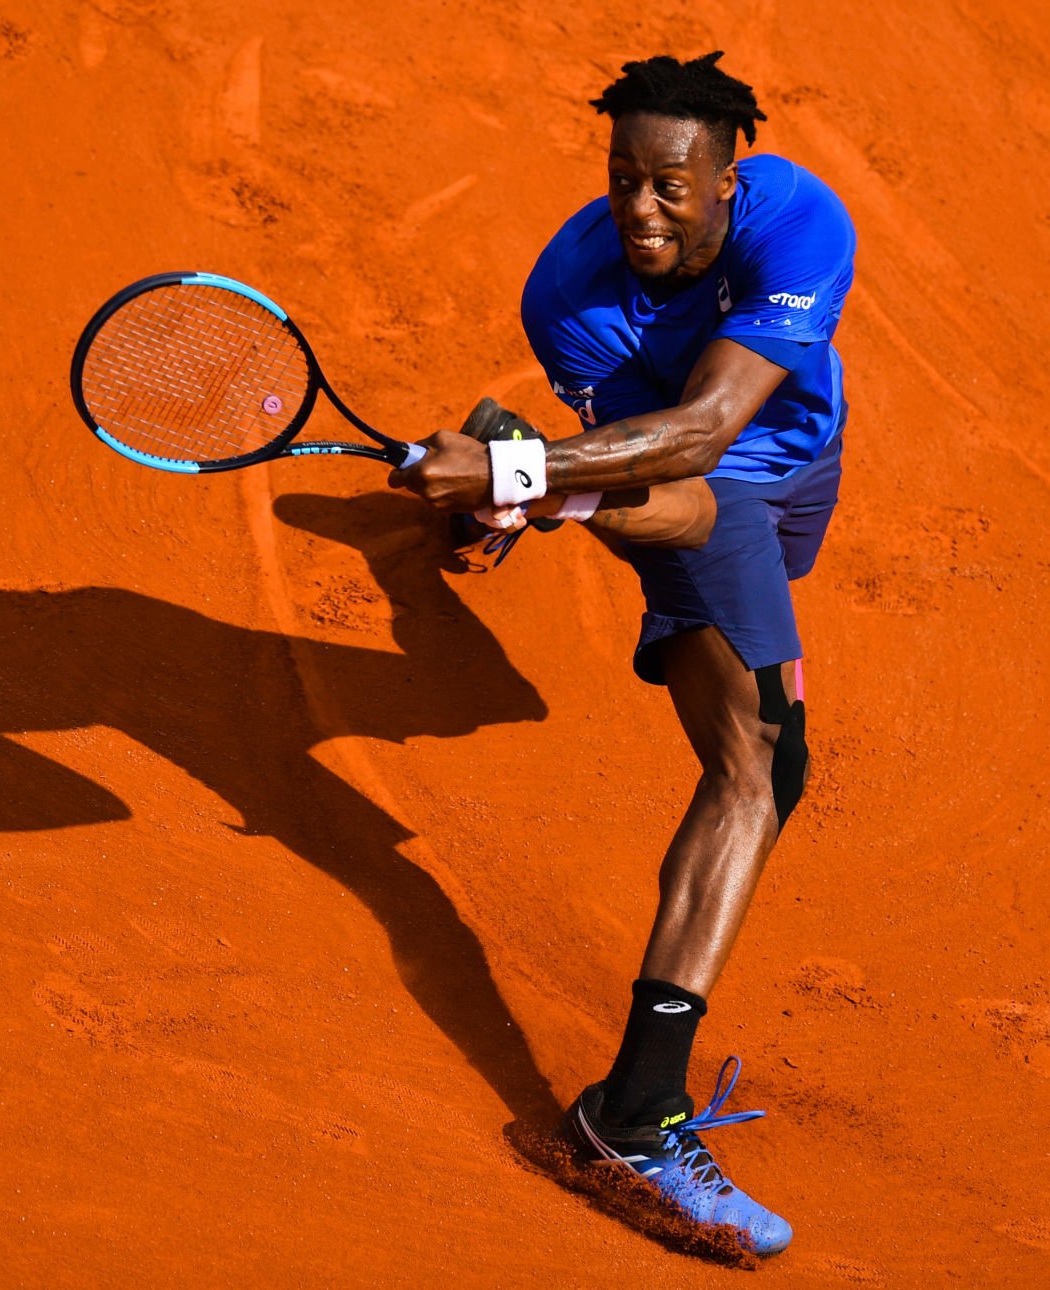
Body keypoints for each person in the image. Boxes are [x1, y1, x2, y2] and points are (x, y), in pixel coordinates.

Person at [390, 51, 857, 1257]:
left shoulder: (800, 216)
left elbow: (708, 420)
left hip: (789, 453)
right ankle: (633, 1111)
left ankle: (505, 485)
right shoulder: (570, 297)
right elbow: (683, 486)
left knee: (665, 521)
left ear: (725, 180)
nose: (640, 210)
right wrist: (549, 481)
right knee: (759, 768)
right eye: (620, 181)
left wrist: (525, 474)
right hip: (699, 490)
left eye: (668, 184)